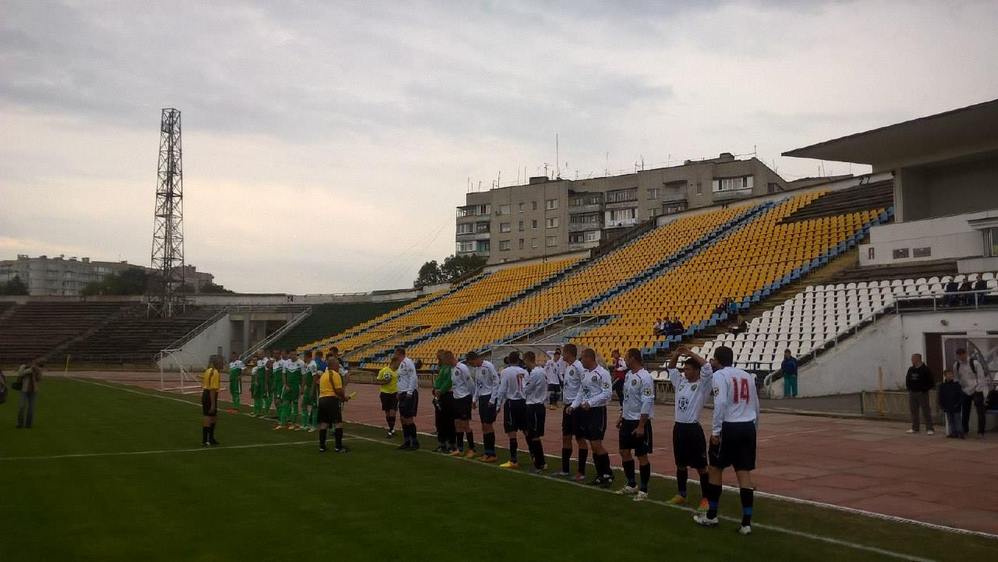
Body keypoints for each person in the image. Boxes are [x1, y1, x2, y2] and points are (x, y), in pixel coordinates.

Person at [694, 346, 759, 536]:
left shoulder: (720, 376)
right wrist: (755, 427)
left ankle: (711, 515)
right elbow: (756, 403)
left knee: (715, 469)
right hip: (748, 425)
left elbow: (720, 403)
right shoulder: (747, 375)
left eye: (713, 360)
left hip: (730, 426)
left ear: (717, 360)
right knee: (744, 473)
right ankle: (746, 523)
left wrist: (716, 431)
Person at [665, 346, 713, 511]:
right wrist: (676, 354)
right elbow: (671, 368)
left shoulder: (703, 385)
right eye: (684, 369)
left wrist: (691, 353)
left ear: (696, 371)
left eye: (688, 369)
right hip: (679, 428)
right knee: (680, 464)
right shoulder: (681, 382)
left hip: (693, 429)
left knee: (701, 467)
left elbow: (707, 367)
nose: (684, 372)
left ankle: (706, 498)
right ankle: (682, 494)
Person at [567, 348, 614, 487]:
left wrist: (591, 402)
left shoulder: (602, 373)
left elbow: (607, 393)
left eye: (582, 358)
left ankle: (608, 474)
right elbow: (581, 392)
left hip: (597, 411)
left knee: (596, 444)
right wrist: (574, 405)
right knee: (593, 445)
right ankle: (600, 475)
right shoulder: (585, 374)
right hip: (586, 411)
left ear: (589, 358)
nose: (581, 361)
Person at [615, 348, 655, 501]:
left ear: (632, 358)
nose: (624, 359)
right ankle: (631, 484)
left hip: (639, 422)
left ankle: (644, 489)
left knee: (641, 455)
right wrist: (621, 416)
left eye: (626, 357)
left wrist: (641, 425)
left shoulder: (645, 377)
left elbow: (647, 402)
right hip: (626, 420)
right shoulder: (628, 375)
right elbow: (626, 399)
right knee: (624, 451)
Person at [554, 343, 589, 481]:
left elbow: (584, 386)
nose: (562, 355)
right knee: (566, 436)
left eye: (564, 352)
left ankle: (581, 471)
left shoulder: (579, 367)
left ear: (569, 353)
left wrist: (581, 403)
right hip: (567, 406)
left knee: (580, 438)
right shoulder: (568, 367)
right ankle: (565, 469)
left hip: (577, 407)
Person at [491, 351, 529, 469]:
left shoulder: (505, 372)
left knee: (512, 432)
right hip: (524, 403)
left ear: (509, 360)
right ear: (518, 360)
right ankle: (535, 456)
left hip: (511, 403)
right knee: (526, 430)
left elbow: (502, 389)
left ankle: (513, 459)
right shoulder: (525, 371)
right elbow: (527, 387)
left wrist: (498, 406)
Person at [468, 351, 499, 462]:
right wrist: (474, 399)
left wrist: (492, 399)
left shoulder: (488, 366)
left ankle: (492, 453)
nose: (472, 365)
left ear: (476, 359)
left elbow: (496, 382)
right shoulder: (476, 370)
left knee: (488, 425)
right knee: (484, 426)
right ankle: (487, 452)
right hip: (482, 398)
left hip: (489, 397)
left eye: (472, 363)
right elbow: (478, 385)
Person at [317, 356, 351, 453]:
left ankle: (322, 446)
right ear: (333, 365)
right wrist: (344, 398)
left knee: (324, 423)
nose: (339, 366)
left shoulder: (324, 375)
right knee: (338, 423)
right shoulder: (335, 375)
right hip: (331, 400)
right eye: (338, 365)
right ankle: (338, 447)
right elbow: (338, 390)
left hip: (322, 399)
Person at [448, 351, 478, 458]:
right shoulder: (452, 369)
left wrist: (472, 398)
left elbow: (470, 384)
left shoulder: (462, 368)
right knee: (457, 424)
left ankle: (472, 448)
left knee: (465, 425)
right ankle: (459, 448)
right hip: (456, 399)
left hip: (464, 399)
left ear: (451, 359)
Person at [522, 351, 548, 473]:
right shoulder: (541, 370)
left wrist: (522, 382)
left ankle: (540, 463)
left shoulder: (535, 373)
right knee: (532, 434)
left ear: (527, 359)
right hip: (537, 405)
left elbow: (526, 390)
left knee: (534, 435)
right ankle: (539, 461)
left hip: (534, 405)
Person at [954, 347, 987, 438]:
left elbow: (981, 377)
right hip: (964, 390)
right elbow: (956, 378)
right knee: (965, 412)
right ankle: (965, 430)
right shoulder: (956, 365)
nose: (961, 357)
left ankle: (981, 432)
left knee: (980, 412)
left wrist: (978, 389)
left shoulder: (975, 363)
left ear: (966, 353)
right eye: (959, 355)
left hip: (977, 389)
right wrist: (959, 389)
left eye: (962, 354)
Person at [395, 347, 420, 450]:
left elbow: (413, 377)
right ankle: (407, 441)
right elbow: (401, 379)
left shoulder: (408, 362)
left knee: (408, 418)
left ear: (399, 353)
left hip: (408, 393)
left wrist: (409, 392)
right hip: (402, 393)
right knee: (403, 418)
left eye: (395, 353)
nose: (394, 355)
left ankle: (414, 442)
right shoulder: (401, 364)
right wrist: (398, 392)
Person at [432, 350, 455, 453]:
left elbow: (449, 381)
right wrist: (435, 389)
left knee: (449, 421)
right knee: (440, 421)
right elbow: (438, 380)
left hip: (448, 396)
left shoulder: (451, 368)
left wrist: (440, 390)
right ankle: (442, 443)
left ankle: (451, 444)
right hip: (440, 395)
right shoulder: (442, 368)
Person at [905, 353, 934, 435]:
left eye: (913, 359)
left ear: (918, 359)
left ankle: (929, 428)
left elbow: (931, 382)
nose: (911, 360)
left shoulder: (925, 369)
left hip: (922, 393)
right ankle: (915, 427)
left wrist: (924, 390)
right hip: (912, 393)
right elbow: (907, 380)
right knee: (914, 411)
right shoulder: (911, 369)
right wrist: (909, 389)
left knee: (926, 411)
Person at [14, 359, 43, 429]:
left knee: (31, 409)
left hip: (33, 391)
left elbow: (39, 379)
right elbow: (20, 374)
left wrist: (37, 371)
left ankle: (28, 424)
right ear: (28, 362)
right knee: (21, 407)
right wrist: (29, 370)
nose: (32, 364)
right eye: (31, 362)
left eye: (33, 362)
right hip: (24, 390)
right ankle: (20, 424)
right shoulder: (23, 367)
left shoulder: (36, 368)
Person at [376, 355, 400, 438]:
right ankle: (391, 429)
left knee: (393, 412)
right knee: (387, 412)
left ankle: (390, 430)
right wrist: (385, 382)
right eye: (398, 363)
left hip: (394, 394)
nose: (399, 365)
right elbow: (378, 381)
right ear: (394, 362)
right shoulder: (384, 370)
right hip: (385, 393)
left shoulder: (398, 372)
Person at [200, 356, 221, 446]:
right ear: (217, 363)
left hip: (205, 394)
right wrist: (213, 404)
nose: (223, 364)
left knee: (213, 417)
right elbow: (212, 389)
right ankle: (206, 440)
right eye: (221, 362)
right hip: (210, 395)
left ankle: (210, 438)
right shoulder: (215, 373)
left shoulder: (209, 370)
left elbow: (205, 378)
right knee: (208, 417)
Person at [937, 369, 964, 439]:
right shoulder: (942, 386)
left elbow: (960, 395)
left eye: (951, 374)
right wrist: (941, 405)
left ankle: (960, 432)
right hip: (947, 406)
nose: (950, 375)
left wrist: (958, 403)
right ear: (945, 376)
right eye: (948, 374)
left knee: (957, 419)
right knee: (950, 420)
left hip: (956, 406)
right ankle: (953, 432)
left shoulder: (957, 385)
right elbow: (940, 396)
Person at [300, 351, 318, 432]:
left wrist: (312, 390)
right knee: (304, 405)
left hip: (312, 388)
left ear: (307, 356)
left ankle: (313, 426)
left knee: (314, 407)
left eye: (304, 356)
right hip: (308, 388)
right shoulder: (307, 365)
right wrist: (303, 387)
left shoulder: (313, 365)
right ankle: (305, 424)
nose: (303, 358)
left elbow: (315, 378)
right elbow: (305, 377)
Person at [249, 352, 267, 417]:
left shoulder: (264, 363)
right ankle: (256, 411)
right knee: (255, 397)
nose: (254, 361)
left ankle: (260, 411)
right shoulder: (254, 368)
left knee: (260, 397)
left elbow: (265, 373)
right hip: (255, 383)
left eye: (255, 360)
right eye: (253, 360)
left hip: (261, 383)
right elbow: (254, 377)